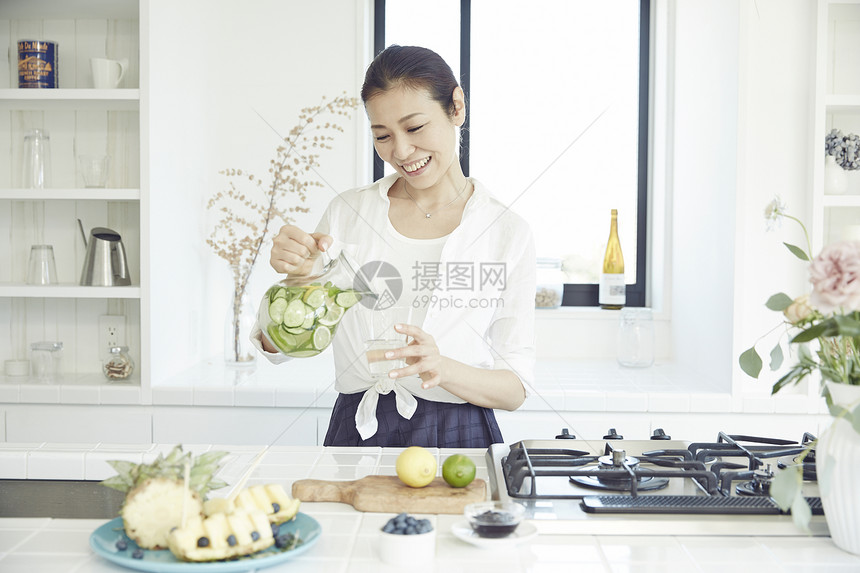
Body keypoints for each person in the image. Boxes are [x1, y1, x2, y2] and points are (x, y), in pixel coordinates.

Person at [252, 45, 535, 448]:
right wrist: (294, 286)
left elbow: (515, 388)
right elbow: (279, 345)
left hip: (460, 432)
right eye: (382, 136)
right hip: (358, 426)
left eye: (415, 128)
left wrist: (443, 368)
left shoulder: (506, 232)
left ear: (457, 107)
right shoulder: (348, 213)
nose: (400, 152)